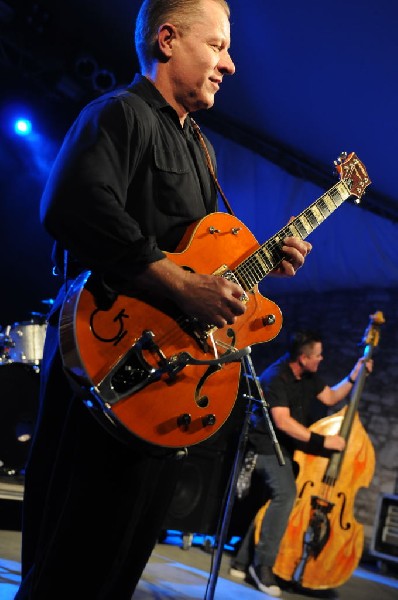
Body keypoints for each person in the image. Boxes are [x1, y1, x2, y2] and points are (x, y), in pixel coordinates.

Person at [14, 1, 312, 598]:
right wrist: (179, 285)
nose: (229, 65)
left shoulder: (200, 149)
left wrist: (252, 268)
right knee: (70, 568)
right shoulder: (118, 113)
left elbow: (197, 257)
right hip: (105, 371)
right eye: (219, 46)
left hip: (165, 390)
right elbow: (72, 204)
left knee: (116, 572)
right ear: (169, 40)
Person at [230, 329, 373, 597]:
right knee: (286, 496)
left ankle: (241, 560)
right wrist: (322, 443)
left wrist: (356, 373)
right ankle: (262, 567)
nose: (322, 359)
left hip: (284, 450)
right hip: (261, 449)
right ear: (304, 358)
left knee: (280, 502)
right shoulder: (277, 377)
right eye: (318, 355)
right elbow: (282, 422)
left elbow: (331, 397)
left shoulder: (307, 377)